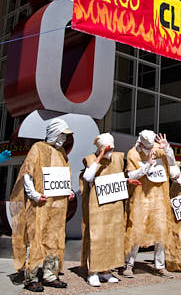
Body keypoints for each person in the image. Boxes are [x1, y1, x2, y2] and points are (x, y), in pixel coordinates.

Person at [10, 118, 75, 292]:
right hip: (40, 204)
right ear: (53, 133)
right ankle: (31, 276)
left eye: (66, 136)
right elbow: (27, 174)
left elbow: (64, 175)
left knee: (54, 239)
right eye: (62, 134)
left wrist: (69, 190)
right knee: (36, 238)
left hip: (58, 206)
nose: (63, 139)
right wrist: (34, 194)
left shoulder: (62, 153)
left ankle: (50, 274)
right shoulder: (38, 148)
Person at [80, 133, 141, 287]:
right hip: (97, 205)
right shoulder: (90, 159)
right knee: (97, 236)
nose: (110, 151)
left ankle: (106, 271)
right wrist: (99, 157)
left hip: (113, 204)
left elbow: (116, 177)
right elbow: (88, 177)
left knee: (112, 237)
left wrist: (127, 181)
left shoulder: (118, 158)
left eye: (111, 148)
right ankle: (93, 271)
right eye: (107, 148)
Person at [121, 130, 181, 278]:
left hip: (160, 198)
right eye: (147, 147)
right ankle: (129, 264)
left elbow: (173, 166)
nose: (151, 150)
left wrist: (167, 148)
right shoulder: (132, 154)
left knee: (161, 231)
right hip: (140, 197)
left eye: (152, 146)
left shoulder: (160, 149)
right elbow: (131, 175)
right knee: (135, 230)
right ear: (140, 143)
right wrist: (147, 165)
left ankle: (159, 266)